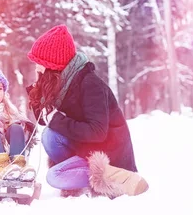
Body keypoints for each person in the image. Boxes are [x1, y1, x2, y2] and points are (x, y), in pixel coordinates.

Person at [25, 24, 149, 198]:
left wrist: (56, 118)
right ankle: (78, 176)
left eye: (40, 63)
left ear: (54, 64)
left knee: (54, 176)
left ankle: (116, 177)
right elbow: (46, 120)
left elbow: (98, 132)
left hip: (109, 155)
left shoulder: (91, 84)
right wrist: (38, 92)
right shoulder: (61, 82)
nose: (37, 67)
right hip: (85, 149)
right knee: (49, 135)